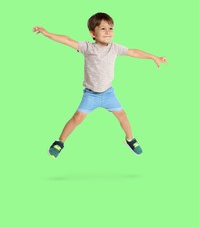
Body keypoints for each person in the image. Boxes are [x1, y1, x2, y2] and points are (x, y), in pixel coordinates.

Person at [33, 12, 167, 158]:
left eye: (111, 28)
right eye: (103, 29)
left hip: (108, 93)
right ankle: (60, 142)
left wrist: (154, 57)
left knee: (122, 115)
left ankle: (130, 139)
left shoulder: (115, 48)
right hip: (91, 94)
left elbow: (134, 52)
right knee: (77, 118)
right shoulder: (87, 48)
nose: (108, 32)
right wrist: (46, 33)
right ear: (93, 33)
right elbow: (66, 40)